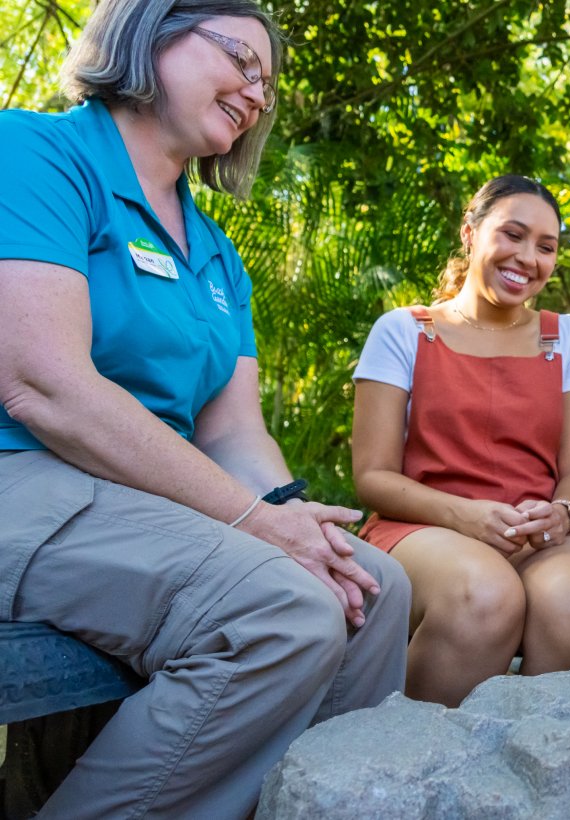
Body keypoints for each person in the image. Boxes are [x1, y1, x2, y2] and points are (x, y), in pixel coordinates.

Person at [0, 1, 409, 817]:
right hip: (28, 475)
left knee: (371, 586)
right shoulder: (34, 152)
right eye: (241, 60)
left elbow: (234, 434)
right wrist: (254, 523)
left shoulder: (218, 255)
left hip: (152, 501)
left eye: (268, 85)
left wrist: (296, 522)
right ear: (149, 34)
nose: (258, 94)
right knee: (285, 614)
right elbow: (43, 385)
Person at [352, 175, 570, 707]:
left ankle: (543, 752)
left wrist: (562, 512)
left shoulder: (568, 338)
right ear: (469, 232)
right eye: (512, 235)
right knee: (485, 595)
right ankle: (409, 747)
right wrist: (464, 516)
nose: (528, 258)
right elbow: (372, 477)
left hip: (540, 535)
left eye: (546, 247)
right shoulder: (404, 331)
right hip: (424, 528)